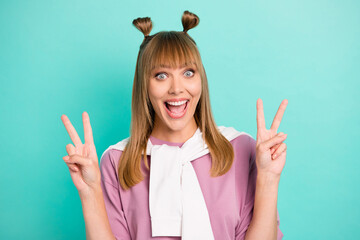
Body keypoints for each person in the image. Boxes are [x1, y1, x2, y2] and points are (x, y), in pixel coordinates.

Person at [61, 10, 288, 240]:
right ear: (144, 86)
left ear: (201, 80)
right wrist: (90, 192)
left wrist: (269, 177)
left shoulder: (240, 149)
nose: (177, 88)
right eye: (161, 75)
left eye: (188, 72)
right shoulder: (117, 161)